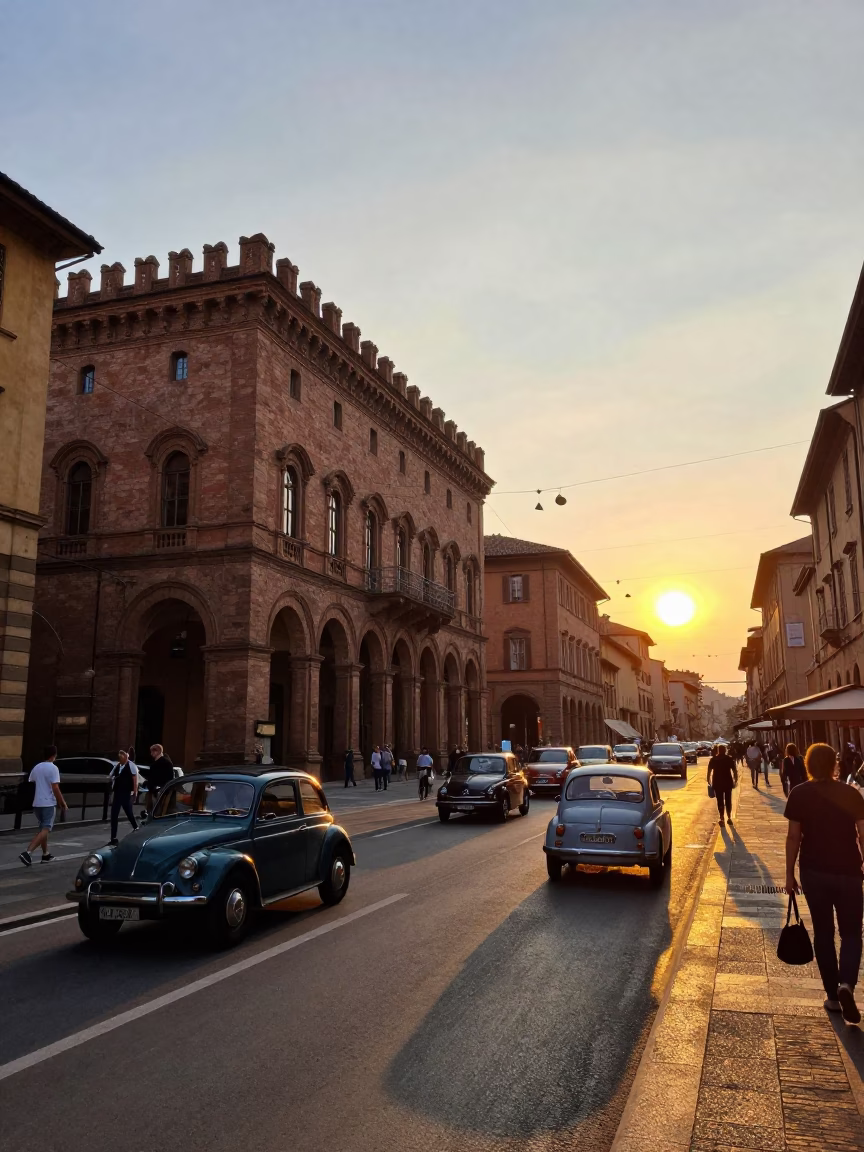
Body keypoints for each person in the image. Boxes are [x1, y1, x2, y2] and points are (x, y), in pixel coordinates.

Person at [785, 742, 864, 1025]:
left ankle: (832, 995)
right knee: (852, 933)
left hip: (813, 872)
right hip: (849, 872)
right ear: (835, 764)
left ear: (807, 764)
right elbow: (863, 833)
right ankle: (847, 985)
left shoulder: (799, 794)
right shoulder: (850, 793)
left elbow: (793, 837)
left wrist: (788, 875)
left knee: (823, 933)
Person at [19, 746, 68, 866]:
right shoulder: (53, 768)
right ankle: (28, 852)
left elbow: (33, 781)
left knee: (43, 830)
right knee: (46, 829)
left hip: (37, 803)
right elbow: (55, 787)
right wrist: (62, 802)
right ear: (54, 755)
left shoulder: (37, 767)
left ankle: (46, 854)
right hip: (48, 803)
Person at [109, 748, 139, 845]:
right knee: (114, 814)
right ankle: (113, 837)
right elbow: (111, 775)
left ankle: (136, 829)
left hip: (126, 793)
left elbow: (135, 780)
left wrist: (135, 793)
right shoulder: (117, 766)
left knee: (129, 813)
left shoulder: (131, 766)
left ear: (126, 756)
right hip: (118, 792)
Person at [707, 743, 738, 826]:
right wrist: (735, 780)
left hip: (717, 782)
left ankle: (721, 818)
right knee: (728, 800)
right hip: (728, 782)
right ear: (725, 750)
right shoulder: (729, 759)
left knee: (719, 800)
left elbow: (709, 771)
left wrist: (709, 781)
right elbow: (735, 771)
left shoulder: (713, 760)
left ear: (717, 751)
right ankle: (729, 817)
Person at [147, 743, 175, 812]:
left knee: (157, 811)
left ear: (158, 751)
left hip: (160, 791)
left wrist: (158, 787)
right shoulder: (156, 763)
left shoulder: (166, 763)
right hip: (154, 790)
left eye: (153, 751)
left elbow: (169, 778)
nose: (151, 753)